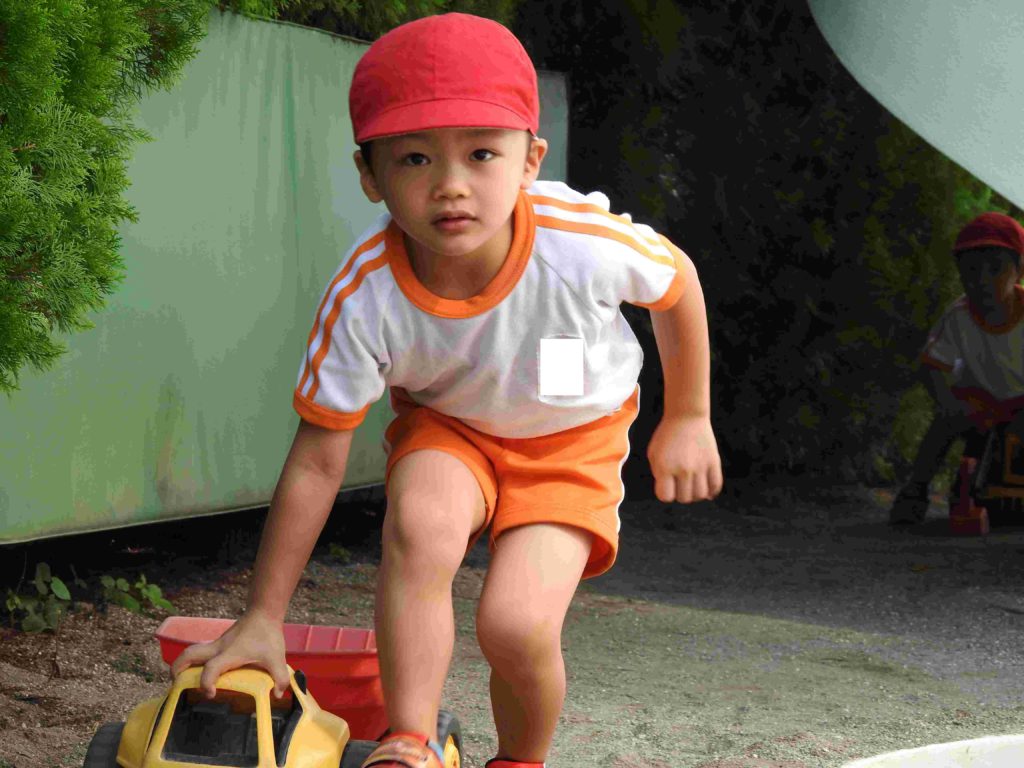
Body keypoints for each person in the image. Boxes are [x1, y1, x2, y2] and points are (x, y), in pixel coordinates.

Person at [171, 13, 722, 768]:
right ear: (370, 175)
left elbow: (676, 281)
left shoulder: (577, 243)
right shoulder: (365, 293)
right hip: (451, 429)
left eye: (482, 153)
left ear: (529, 161)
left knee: (516, 625)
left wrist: (688, 414)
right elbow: (318, 461)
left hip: (571, 442)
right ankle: (409, 740)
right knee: (421, 524)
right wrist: (263, 615)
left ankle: (520, 761)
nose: (451, 185)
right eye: (415, 158)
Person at [889, 212, 1024, 525]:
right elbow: (931, 365)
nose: (983, 280)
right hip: (980, 399)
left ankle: (990, 492)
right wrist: (947, 402)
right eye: (972, 270)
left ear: (1018, 270)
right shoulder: (958, 316)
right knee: (943, 424)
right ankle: (915, 489)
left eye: (995, 268)